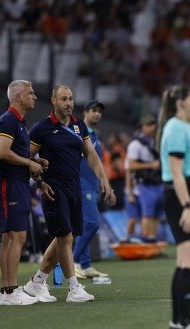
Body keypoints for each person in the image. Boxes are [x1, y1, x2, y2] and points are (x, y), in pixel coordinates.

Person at [24, 85, 115, 303]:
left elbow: (90, 154)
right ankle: (73, 288)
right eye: (64, 99)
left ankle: (36, 282)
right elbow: (26, 158)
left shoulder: (78, 125)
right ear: (53, 101)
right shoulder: (42, 128)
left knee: (66, 236)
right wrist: (39, 181)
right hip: (54, 189)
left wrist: (104, 179)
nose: (69, 103)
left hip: (75, 188)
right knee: (65, 237)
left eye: (71, 99)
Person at [157, 85, 190, 329]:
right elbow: (176, 172)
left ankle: (181, 319)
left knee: (187, 260)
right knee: (189, 260)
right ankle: (181, 319)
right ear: (181, 103)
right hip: (181, 194)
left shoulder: (185, 128)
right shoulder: (176, 128)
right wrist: (187, 206)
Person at [0, 80, 44, 305]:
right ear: (17, 97)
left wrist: (35, 161)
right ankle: (10, 291)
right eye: (30, 93)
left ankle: (6, 292)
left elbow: (14, 152)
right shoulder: (8, 120)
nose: (34, 97)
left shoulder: (19, 122)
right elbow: (3, 152)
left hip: (18, 182)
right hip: (10, 183)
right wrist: (28, 162)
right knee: (16, 237)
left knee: (9, 238)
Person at [73, 99, 115, 279]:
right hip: (82, 184)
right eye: (93, 110)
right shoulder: (77, 132)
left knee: (85, 225)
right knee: (92, 223)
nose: (97, 114)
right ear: (85, 112)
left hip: (92, 185)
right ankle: (73, 262)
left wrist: (107, 185)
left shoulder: (94, 135)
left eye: (99, 111)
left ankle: (86, 264)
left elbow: (98, 163)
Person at [126, 114, 164, 242]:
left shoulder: (154, 142)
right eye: (148, 125)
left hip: (157, 182)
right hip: (144, 184)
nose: (152, 128)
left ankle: (152, 239)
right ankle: (145, 239)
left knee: (156, 214)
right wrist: (151, 165)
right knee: (147, 213)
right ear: (141, 127)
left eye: (153, 125)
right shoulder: (135, 144)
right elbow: (131, 165)